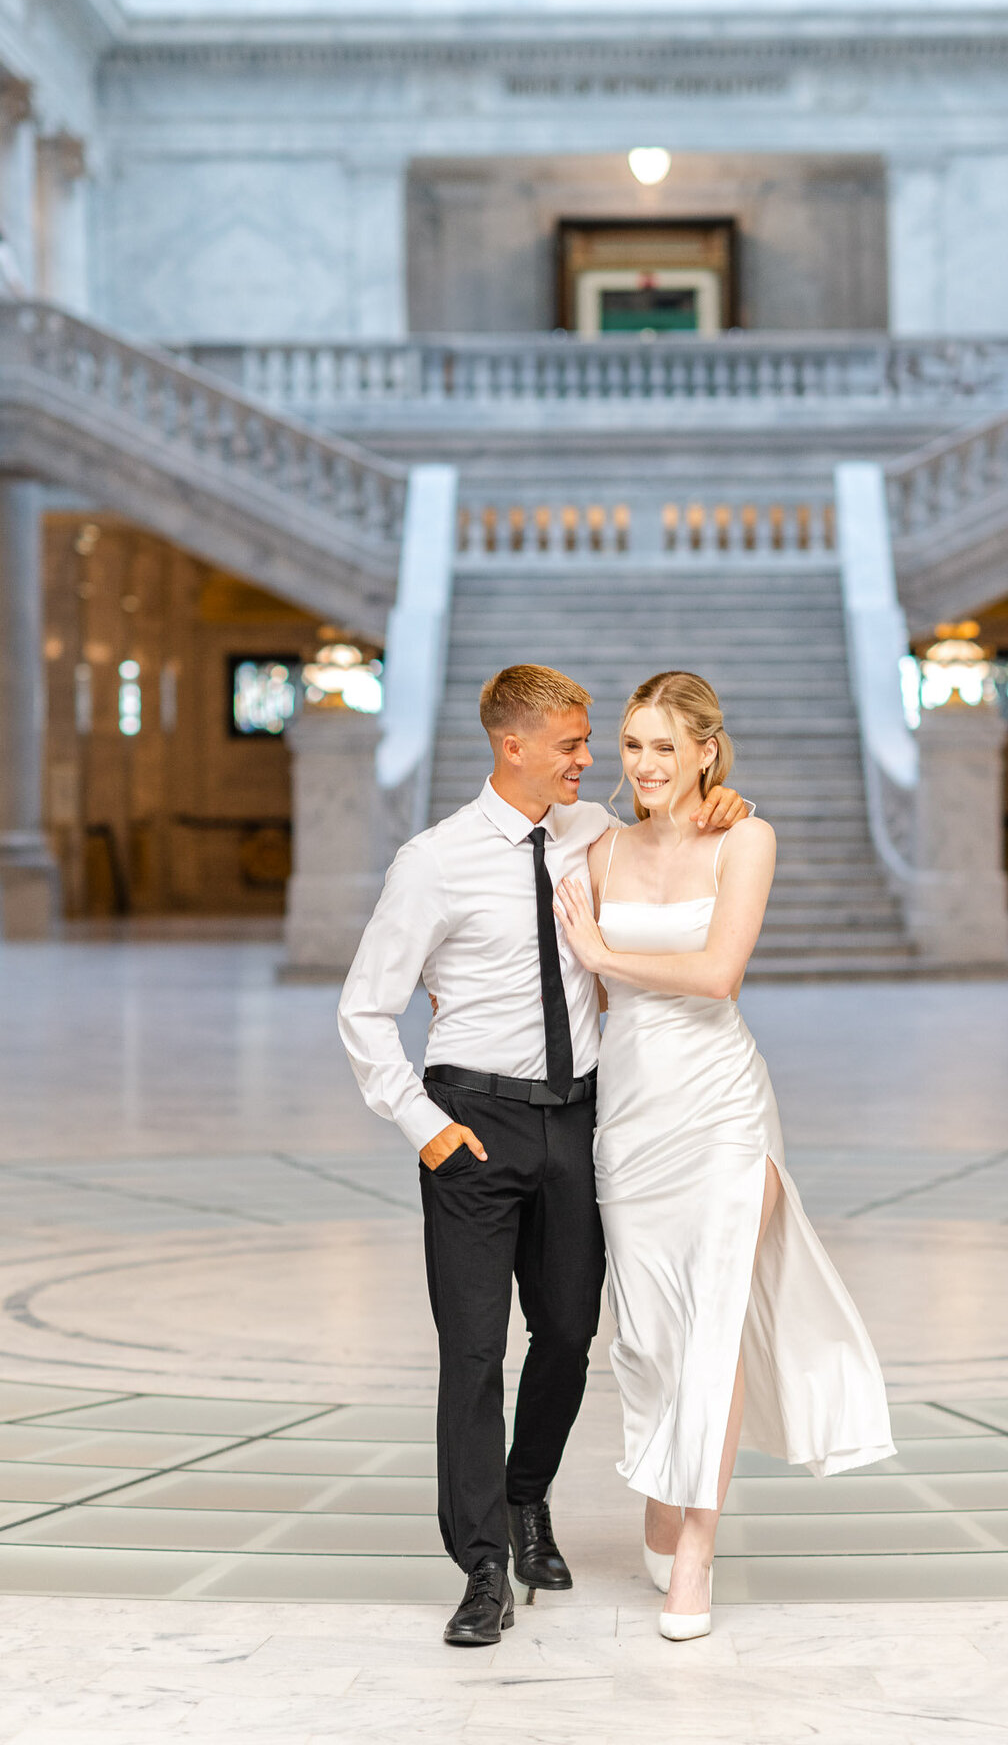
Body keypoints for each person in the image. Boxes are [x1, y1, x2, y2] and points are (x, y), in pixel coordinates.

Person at [337, 663, 749, 1646]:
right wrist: (422, 1124)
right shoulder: (431, 863)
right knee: (474, 1351)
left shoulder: (592, 839)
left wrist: (714, 799)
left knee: (568, 1333)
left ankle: (528, 1497)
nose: (589, 761)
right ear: (512, 746)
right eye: (571, 745)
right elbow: (364, 1007)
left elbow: (672, 851)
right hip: (472, 1123)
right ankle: (481, 1564)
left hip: (581, 1120)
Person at [553, 670, 895, 1642]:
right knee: (651, 1338)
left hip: (722, 1110)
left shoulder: (748, 838)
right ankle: (668, 1492)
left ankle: (694, 1556)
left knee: (714, 1325)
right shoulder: (602, 845)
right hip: (632, 1112)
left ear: (708, 749)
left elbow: (717, 974)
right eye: (633, 746)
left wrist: (605, 955)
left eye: (668, 747)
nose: (647, 765)